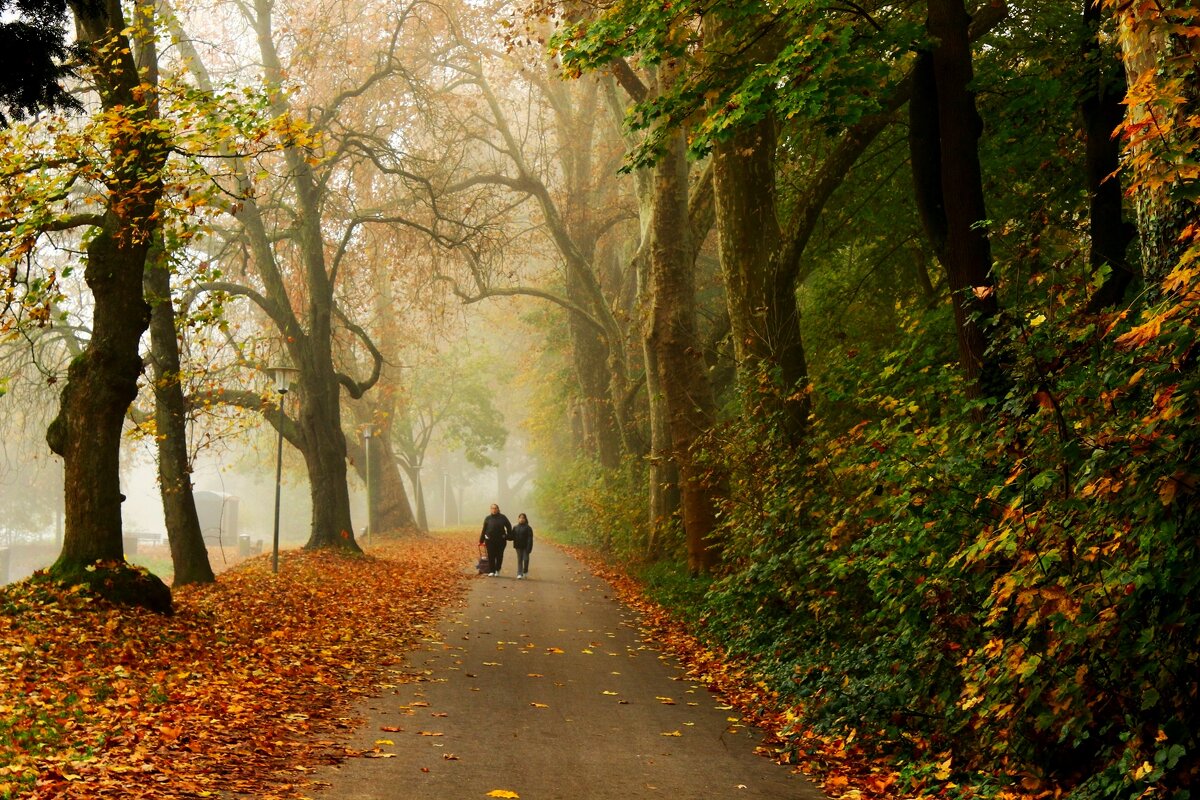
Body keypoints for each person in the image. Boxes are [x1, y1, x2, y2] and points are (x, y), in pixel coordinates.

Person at [479, 503, 512, 577]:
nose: (494, 510)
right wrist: (481, 540)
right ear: (490, 510)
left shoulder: (503, 517)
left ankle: (497, 569)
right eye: (492, 508)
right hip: (490, 540)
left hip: (501, 540)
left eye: (495, 508)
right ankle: (492, 571)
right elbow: (484, 529)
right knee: (491, 555)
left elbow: (509, 526)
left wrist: (507, 536)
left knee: (499, 555)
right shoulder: (488, 518)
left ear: (498, 509)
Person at [511, 513, 533, 579]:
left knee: (526, 559)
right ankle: (519, 573)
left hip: (526, 547)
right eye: (520, 518)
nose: (521, 519)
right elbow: (511, 536)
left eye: (523, 518)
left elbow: (530, 539)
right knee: (519, 560)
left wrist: (529, 548)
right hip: (518, 546)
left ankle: (525, 571)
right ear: (518, 519)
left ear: (525, 519)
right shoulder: (515, 527)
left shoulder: (528, 528)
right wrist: (504, 536)